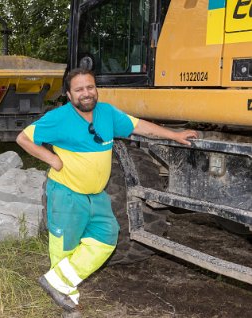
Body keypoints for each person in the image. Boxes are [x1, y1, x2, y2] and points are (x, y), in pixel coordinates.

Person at [16, 68, 198, 312]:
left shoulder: (107, 113)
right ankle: (68, 302)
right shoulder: (59, 117)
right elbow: (24, 138)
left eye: (90, 87)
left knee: (107, 237)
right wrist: (52, 159)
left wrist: (174, 135)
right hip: (67, 193)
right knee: (65, 247)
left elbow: (139, 126)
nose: (86, 93)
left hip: (96, 195)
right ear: (69, 95)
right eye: (79, 89)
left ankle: (57, 282)